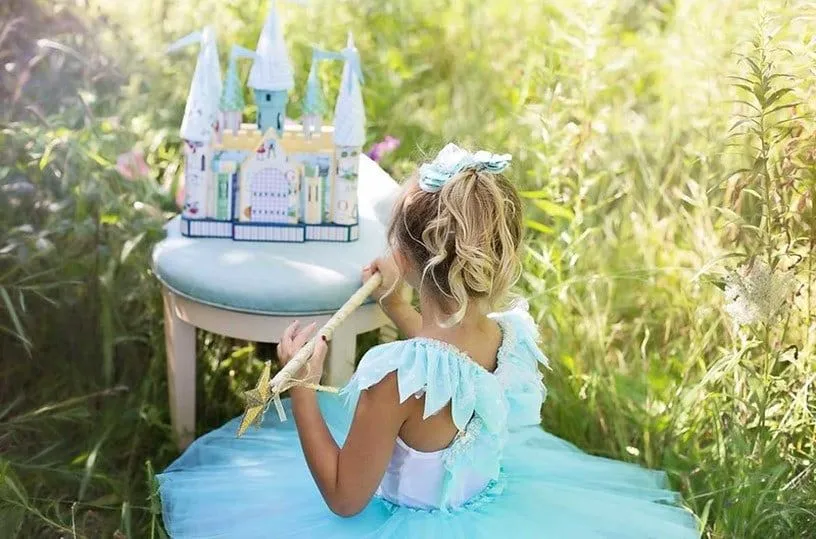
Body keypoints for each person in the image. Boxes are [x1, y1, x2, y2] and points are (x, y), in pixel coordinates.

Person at [158, 143, 699, 538]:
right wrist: (396, 304)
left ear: (412, 260)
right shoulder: (506, 335)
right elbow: (447, 370)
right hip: (490, 509)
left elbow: (346, 498)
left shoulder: (393, 378)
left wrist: (303, 388)